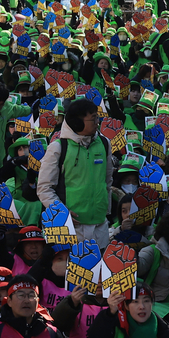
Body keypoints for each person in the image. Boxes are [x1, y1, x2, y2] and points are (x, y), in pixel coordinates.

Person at [37, 96, 114, 248]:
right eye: (93, 119)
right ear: (78, 122)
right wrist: (62, 213)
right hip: (71, 228)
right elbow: (44, 188)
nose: (97, 122)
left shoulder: (105, 144)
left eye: (97, 117)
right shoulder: (58, 147)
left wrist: (106, 211)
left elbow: (107, 181)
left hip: (100, 226)